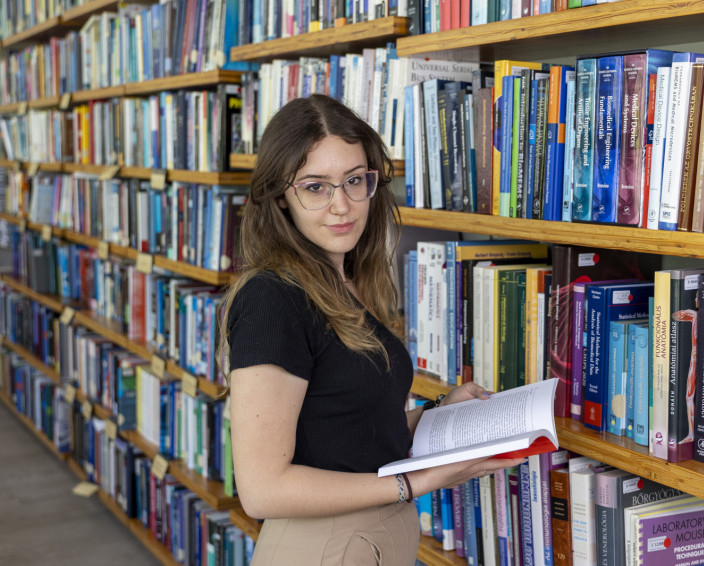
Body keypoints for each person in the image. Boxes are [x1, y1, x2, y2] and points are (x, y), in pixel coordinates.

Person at [218, 94, 525, 565]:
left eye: (355, 180)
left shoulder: (348, 280)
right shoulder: (272, 299)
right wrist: (418, 482)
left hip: (372, 539)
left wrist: (439, 416)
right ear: (281, 196)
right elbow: (262, 490)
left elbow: (348, 435)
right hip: (321, 549)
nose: (342, 206)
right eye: (316, 187)